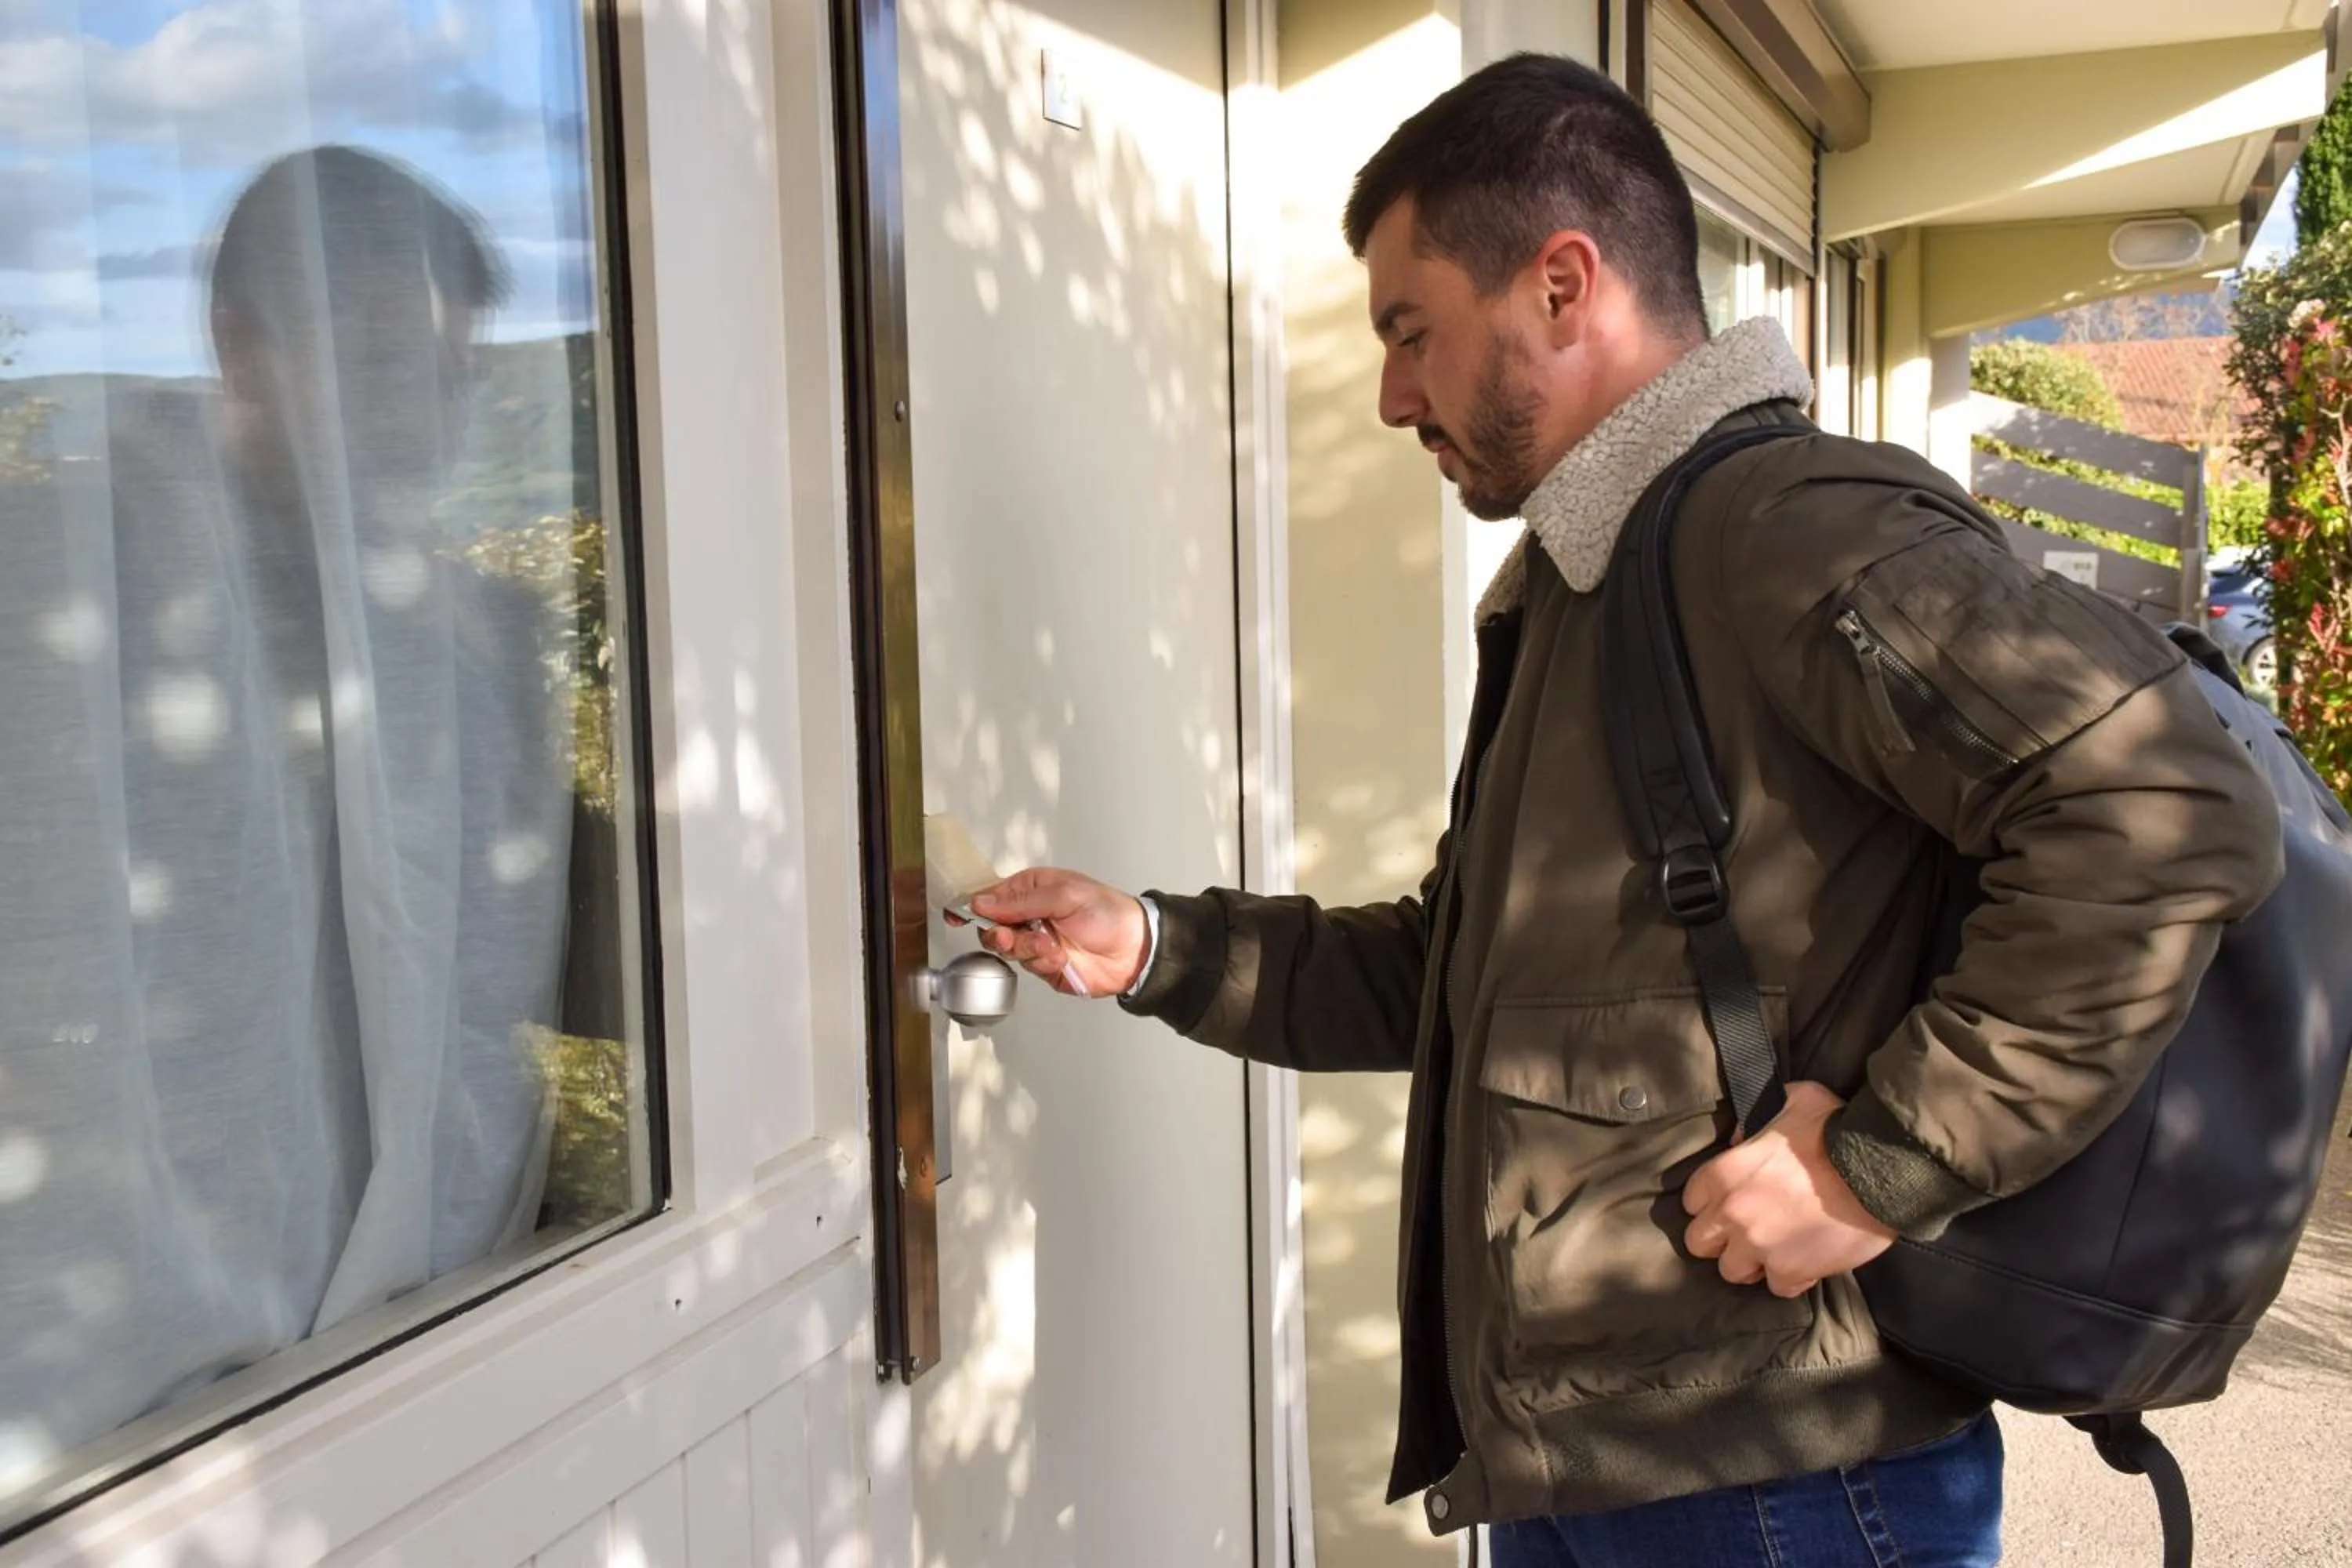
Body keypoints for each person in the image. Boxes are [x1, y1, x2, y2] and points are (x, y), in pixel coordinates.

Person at [962, 54, 2281, 1568]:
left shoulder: (1784, 528)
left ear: (1563, 285)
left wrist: (1884, 1166)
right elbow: (1456, 971)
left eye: (1411, 331)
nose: (1393, 396)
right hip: (1595, 1463)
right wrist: (1150, 945)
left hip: (1787, 1487)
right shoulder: (1592, 581)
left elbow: (2165, 805)